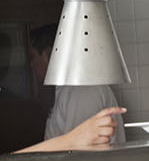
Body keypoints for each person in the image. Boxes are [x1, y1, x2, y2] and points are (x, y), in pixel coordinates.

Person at [9, 23, 127, 153]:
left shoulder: (82, 91)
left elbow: (80, 153)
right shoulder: (66, 90)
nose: (31, 65)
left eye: (33, 57)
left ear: (48, 55)